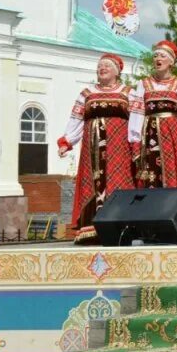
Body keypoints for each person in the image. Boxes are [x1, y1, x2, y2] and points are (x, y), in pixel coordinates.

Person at [57, 54, 135, 244]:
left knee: (118, 182)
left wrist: (137, 145)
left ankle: (121, 229)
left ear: (117, 71)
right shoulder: (86, 93)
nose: (102, 68)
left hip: (120, 150)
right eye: (100, 66)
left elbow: (137, 121)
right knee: (91, 184)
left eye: (107, 66)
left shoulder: (128, 93)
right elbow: (76, 119)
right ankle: (91, 230)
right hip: (91, 150)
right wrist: (66, 141)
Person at [128, 40, 177, 189]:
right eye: (156, 56)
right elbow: (137, 113)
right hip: (149, 134)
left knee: (172, 172)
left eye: (162, 56)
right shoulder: (143, 84)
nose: (158, 59)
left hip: (172, 135)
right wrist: (135, 140)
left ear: (171, 62)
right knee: (149, 171)